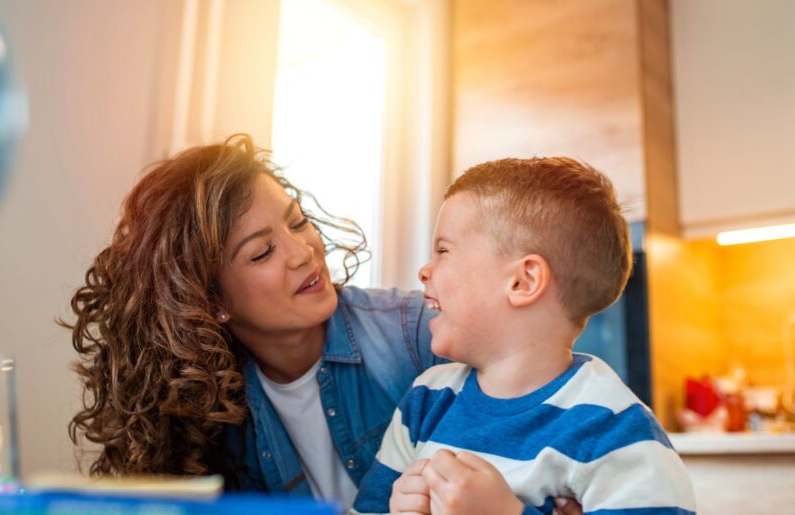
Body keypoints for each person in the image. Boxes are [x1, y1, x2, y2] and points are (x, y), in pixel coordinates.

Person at [62, 135, 583, 514]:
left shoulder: (418, 335)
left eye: (296, 222)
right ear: (211, 300)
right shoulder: (209, 407)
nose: (304, 252)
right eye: (263, 251)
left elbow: (571, 438)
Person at [352, 158, 696, 514]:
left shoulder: (611, 427)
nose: (424, 270)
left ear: (522, 281)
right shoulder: (426, 401)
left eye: (443, 251)